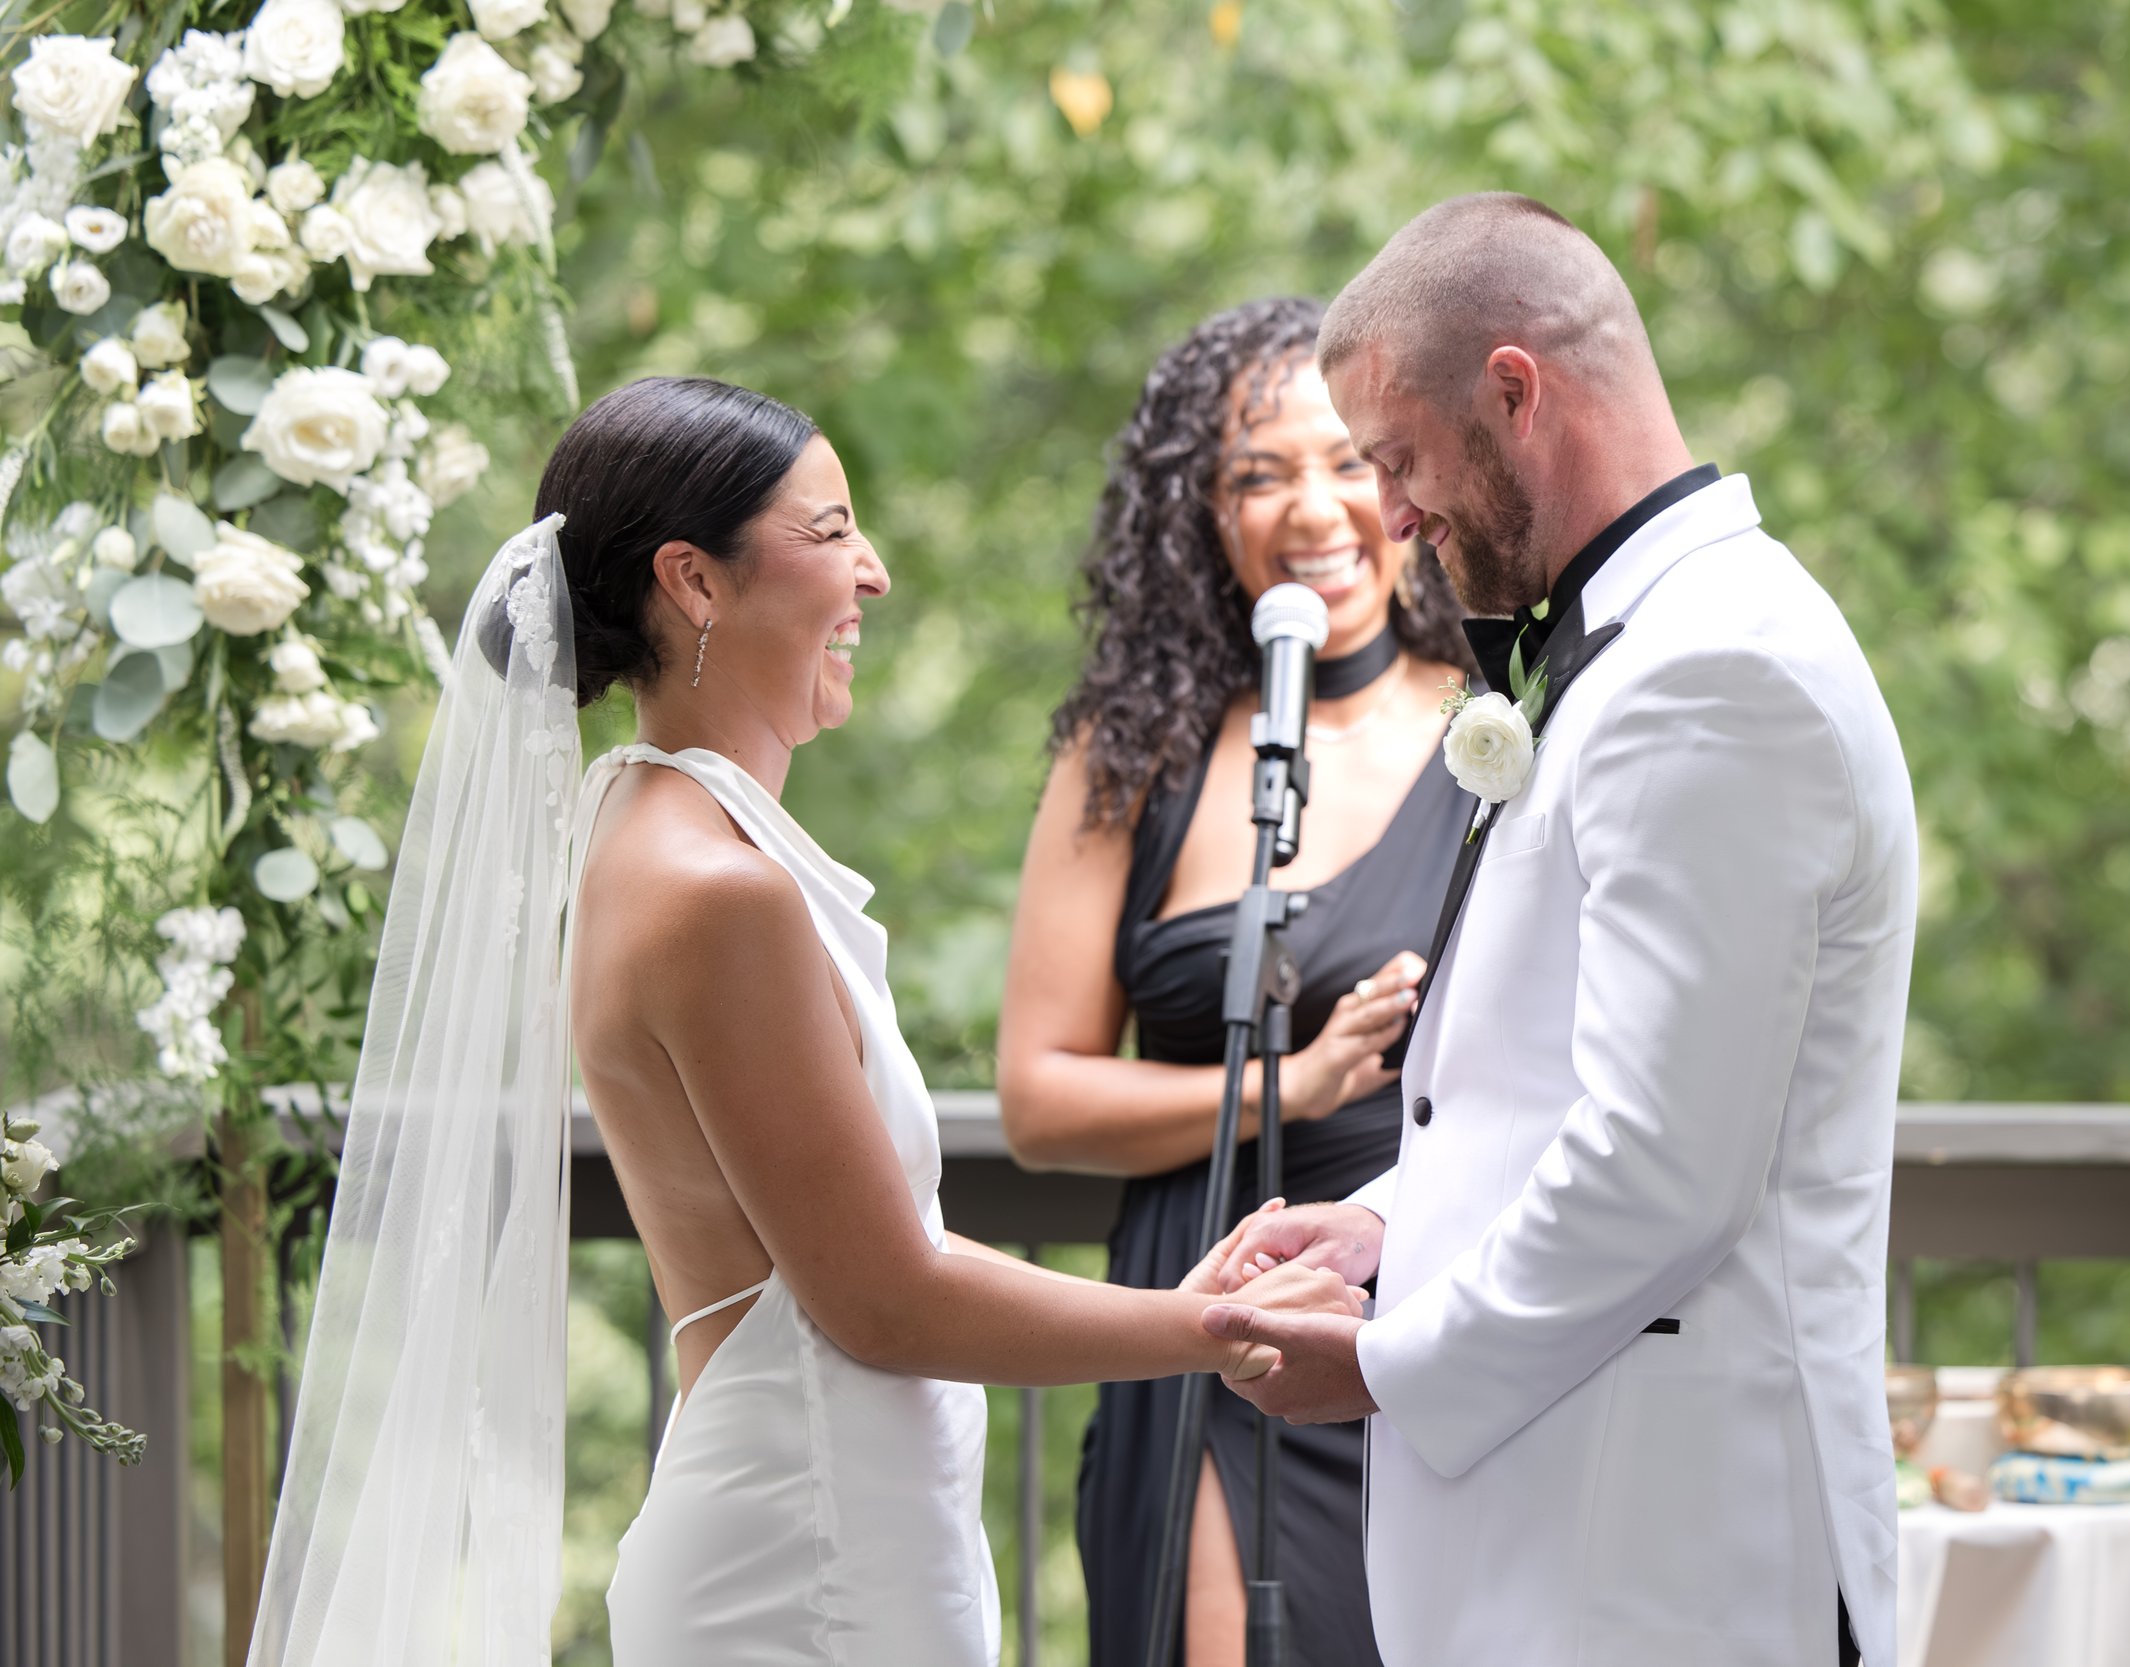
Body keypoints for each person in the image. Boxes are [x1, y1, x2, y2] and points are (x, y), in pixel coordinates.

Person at [246, 376, 1357, 1667]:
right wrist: (1204, 1327)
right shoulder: (717, 892)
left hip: (840, 1526)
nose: (873, 574)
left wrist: (1183, 1304)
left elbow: (879, 1254)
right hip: (808, 1566)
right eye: (831, 534)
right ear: (696, 582)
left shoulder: (652, 826)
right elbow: (880, 1299)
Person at [1198, 195, 1919, 1667]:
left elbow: (1666, 1161)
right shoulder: (1640, 647)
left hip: (1667, 1570)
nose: (1391, 516)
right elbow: (1549, 1081)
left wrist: (1391, 1364)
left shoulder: (1715, 671)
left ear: (1516, 392)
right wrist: (1394, 1223)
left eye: (1397, 458)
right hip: (1580, 1549)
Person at [996, 297, 1475, 1667]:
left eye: (1345, 461)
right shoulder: (1130, 751)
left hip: (1421, 1313)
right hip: (1212, 1313)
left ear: (1403, 485)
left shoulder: (1494, 728)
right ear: (1200, 516)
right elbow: (1036, 1097)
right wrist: (1293, 1084)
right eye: (1256, 475)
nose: (1312, 508)